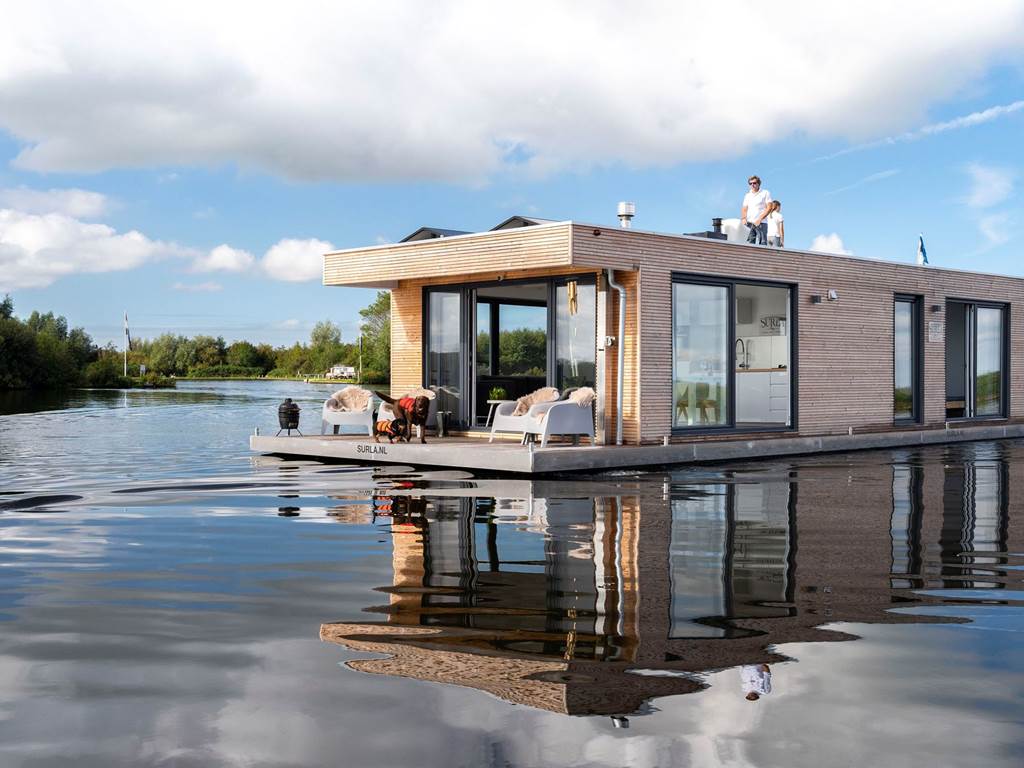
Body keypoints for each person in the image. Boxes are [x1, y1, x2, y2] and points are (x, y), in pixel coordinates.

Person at [741, 175, 772, 245]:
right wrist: (743, 218)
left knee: (763, 243)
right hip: (749, 223)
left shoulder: (765, 193)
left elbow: (769, 207)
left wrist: (760, 219)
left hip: (761, 223)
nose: (752, 185)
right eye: (750, 183)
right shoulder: (747, 195)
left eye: (754, 183)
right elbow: (744, 208)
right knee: (749, 244)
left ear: (758, 183)